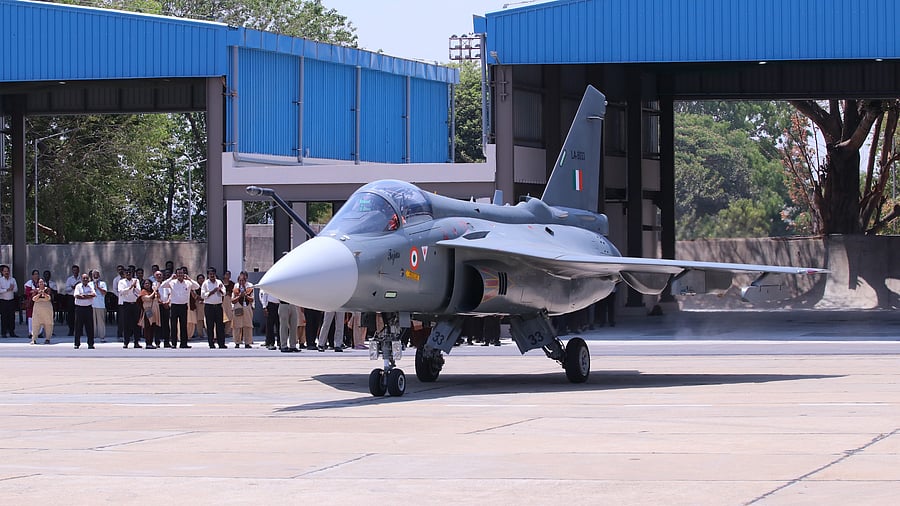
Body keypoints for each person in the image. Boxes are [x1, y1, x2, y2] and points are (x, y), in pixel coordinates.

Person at [160, 268, 200, 349]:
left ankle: (183, 343)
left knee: (183, 325)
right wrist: (171, 278)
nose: (180, 275)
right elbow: (162, 285)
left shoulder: (188, 283)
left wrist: (189, 279)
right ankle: (174, 343)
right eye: (178, 273)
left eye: (181, 273)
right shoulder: (172, 282)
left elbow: (197, 286)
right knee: (173, 325)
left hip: (183, 306)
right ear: (176, 274)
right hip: (174, 306)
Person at [200, 267, 227, 349]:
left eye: (213, 274)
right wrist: (213, 291)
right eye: (210, 274)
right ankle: (211, 343)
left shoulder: (219, 282)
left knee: (220, 326)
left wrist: (219, 290)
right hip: (209, 307)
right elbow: (203, 295)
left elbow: (224, 293)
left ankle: (221, 343)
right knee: (210, 326)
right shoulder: (205, 283)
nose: (212, 275)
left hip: (218, 306)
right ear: (208, 275)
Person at [117, 268, 141, 348]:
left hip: (135, 304)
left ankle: (136, 342)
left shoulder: (136, 281)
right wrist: (130, 287)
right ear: (124, 274)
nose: (128, 274)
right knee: (126, 323)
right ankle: (126, 342)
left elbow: (139, 291)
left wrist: (134, 286)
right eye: (126, 273)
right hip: (126, 304)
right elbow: (121, 292)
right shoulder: (121, 282)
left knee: (136, 324)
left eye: (130, 273)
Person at [231, 271, 254, 349]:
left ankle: (247, 342)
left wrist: (246, 296)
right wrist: (239, 296)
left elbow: (252, 299)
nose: (241, 282)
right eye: (240, 280)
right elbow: (232, 300)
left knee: (248, 325)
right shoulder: (235, 287)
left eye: (243, 280)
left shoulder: (249, 287)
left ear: (245, 280)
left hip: (247, 307)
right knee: (237, 326)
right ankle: (237, 342)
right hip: (238, 306)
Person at [72, 272, 96, 349]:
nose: (85, 279)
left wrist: (84, 296)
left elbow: (93, 295)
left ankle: (90, 344)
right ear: (81, 279)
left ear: (88, 279)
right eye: (84, 278)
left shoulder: (91, 286)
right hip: (79, 309)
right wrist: (88, 296)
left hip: (88, 308)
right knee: (78, 327)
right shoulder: (78, 286)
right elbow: (77, 296)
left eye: (86, 278)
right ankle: (77, 344)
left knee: (90, 327)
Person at [137, 279, 159, 349]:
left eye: (148, 283)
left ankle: (151, 342)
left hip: (154, 310)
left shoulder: (152, 291)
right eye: (146, 284)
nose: (147, 285)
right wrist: (155, 291)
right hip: (148, 310)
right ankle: (148, 343)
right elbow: (148, 298)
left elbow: (158, 298)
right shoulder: (143, 292)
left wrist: (155, 292)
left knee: (152, 326)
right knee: (148, 326)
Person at [30, 278, 54, 345]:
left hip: (47, 308)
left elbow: (49, 298)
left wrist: (44, 293)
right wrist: (39, 294)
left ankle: (48, 339)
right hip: (38, 308)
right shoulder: (35, 290)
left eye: (42, 282)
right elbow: (33, 299)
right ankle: (34, 339)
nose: (41, 283)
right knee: (35, 324)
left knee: (48, 324)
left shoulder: (48, 289)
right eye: (40, 282)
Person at [153, 270, 172, 347]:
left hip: (166, 306)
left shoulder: (166, 284)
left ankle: (166, 342)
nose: (159, 276)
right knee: (157, 324)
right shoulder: (153, 284)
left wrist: (167, 302)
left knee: (166, 324)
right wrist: (161, 302)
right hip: (158, 306)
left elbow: (170, 294)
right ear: (155, 276)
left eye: (160, 275)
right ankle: (157, 342)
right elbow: (155, 294)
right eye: (157, 275)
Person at [0, 264, 18, 338]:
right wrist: (7, 289)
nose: (6, 272)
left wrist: (12, 289)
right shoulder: (0, 280)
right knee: (4, 317)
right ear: (2, 272)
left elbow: (16, 289)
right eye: (5, 271)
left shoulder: (12, 279)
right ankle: (3, 332)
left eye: (7, 271)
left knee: (12, 317)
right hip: (3, 301)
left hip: (11, 300)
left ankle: (12, 332)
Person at [90, 269, 108, 343]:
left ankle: (102, 336)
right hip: (91, 304)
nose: (95, 276)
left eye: (97, 274)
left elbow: (104, 293)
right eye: (94, 274)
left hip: (100, 305)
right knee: (92, 321)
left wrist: (98, 287)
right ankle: (93, 335)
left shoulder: (103, 283)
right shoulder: (89, 284)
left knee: (101, 321)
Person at [24, 269, 40, 340]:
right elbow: (27, 292)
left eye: (37, 274)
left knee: (40, 316)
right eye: (35, 274)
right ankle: (31, 332)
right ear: (32, 275)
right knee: (30, 317)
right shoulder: (29, 283)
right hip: (31, 301)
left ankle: (39, 332)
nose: (36, 275)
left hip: (39, 301)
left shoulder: (41, 282)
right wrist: (33, 291)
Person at [64, 265, 80, 335]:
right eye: (74, 270)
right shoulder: (69, 279)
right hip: (71, 297)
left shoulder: (81, 279)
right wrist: (73, 287)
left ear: (78, 271)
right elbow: (66, 289)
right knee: (71, 314)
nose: (75, 271)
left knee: (79, 314)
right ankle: (71, 330)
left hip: (79, 297)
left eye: (76, 270)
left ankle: (79, 330)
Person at [111, 264, 125, 341]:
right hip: (120, 301)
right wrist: (120, 296)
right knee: (121, 318)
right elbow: (115, 290)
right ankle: (120, 334)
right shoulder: (116, 279)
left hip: (129, 301)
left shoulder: (128, 279)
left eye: (121, 269)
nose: (120, 271)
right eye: (119, 270)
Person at [221, 270, 235, 339]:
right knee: (222, 316)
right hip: (222, 301)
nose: (228, 276)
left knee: (229, 316)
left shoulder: (232, 284)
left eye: (229, 274)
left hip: (229, 301)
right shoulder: (220, 283)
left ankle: (227, 332)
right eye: (226, 274)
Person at [192, 273, 206, 342]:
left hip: (206, 303)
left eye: (202, 278)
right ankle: (200, 334)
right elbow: (194, 295)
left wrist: (204, 298)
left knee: (206, 319)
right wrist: (199, 298)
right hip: (198, 304)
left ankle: (208, 333)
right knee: (199, 319)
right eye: (199, 279)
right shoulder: (195, 287)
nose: (201, 280)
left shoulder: (206, 286)